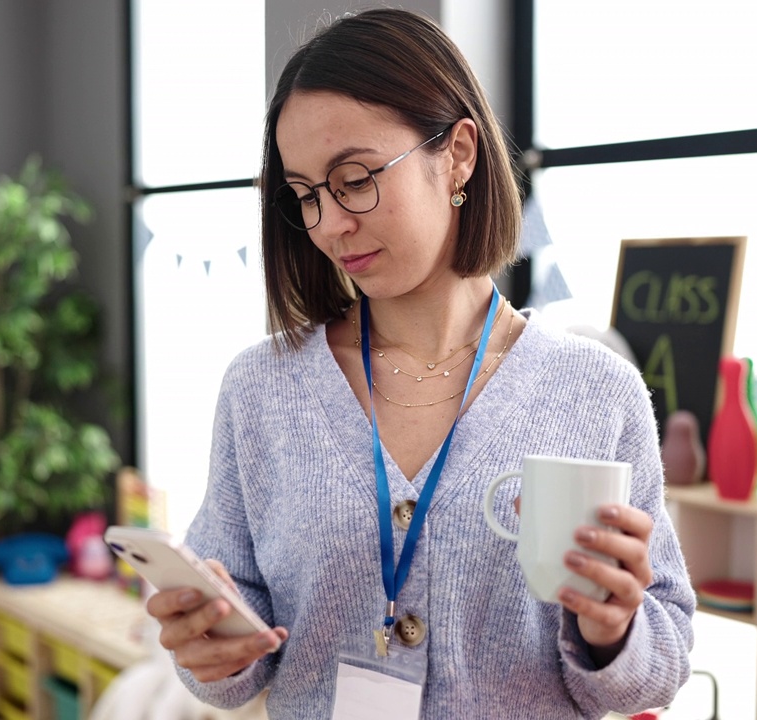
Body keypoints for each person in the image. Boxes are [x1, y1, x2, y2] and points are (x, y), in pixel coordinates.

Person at [145, 8, 695, 718]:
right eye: (306, 196)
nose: (329, 224)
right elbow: (232, 651)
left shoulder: (596, 393)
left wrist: (612, 629)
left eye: (355, 179)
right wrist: (207, 650)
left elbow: (665, 661)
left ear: (459, 153)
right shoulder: (262, 389)